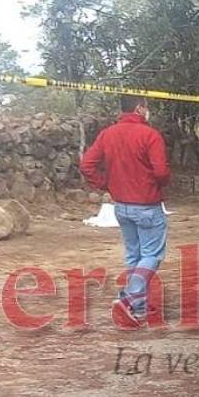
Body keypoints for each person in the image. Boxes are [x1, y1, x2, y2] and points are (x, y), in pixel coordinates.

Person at [79, 96, 171, 328]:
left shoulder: (107, 134)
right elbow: (161, 172)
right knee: (152, 255)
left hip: (121, 205)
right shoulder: (150, 135)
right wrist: (158, 183)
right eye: (146, 106)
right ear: (140, 108)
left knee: (134, 255)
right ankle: (129, 299)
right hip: (147, 204)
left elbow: (86, 164)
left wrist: (105, 184)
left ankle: (137, 307)